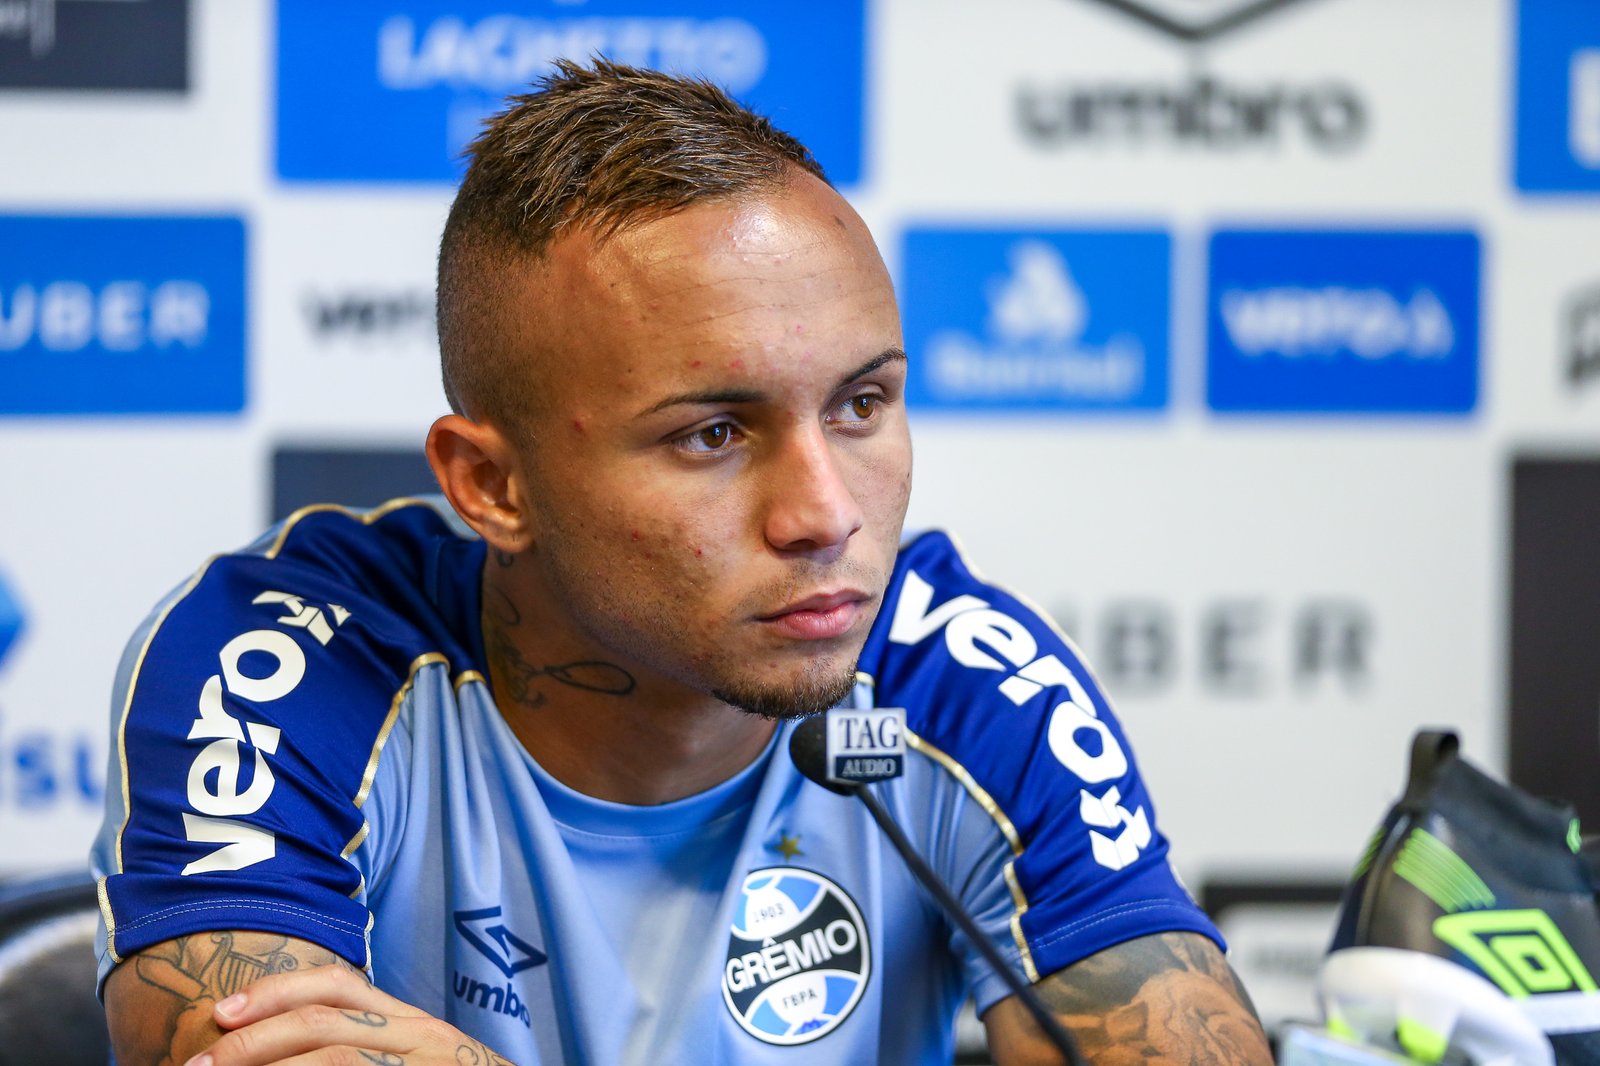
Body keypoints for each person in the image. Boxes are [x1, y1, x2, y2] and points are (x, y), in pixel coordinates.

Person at [91, 60, 1273, 1065]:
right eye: (712, 434)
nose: (825, 515)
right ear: (492, 485)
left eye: (860, 405)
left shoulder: (959, 681)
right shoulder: (284, 663)